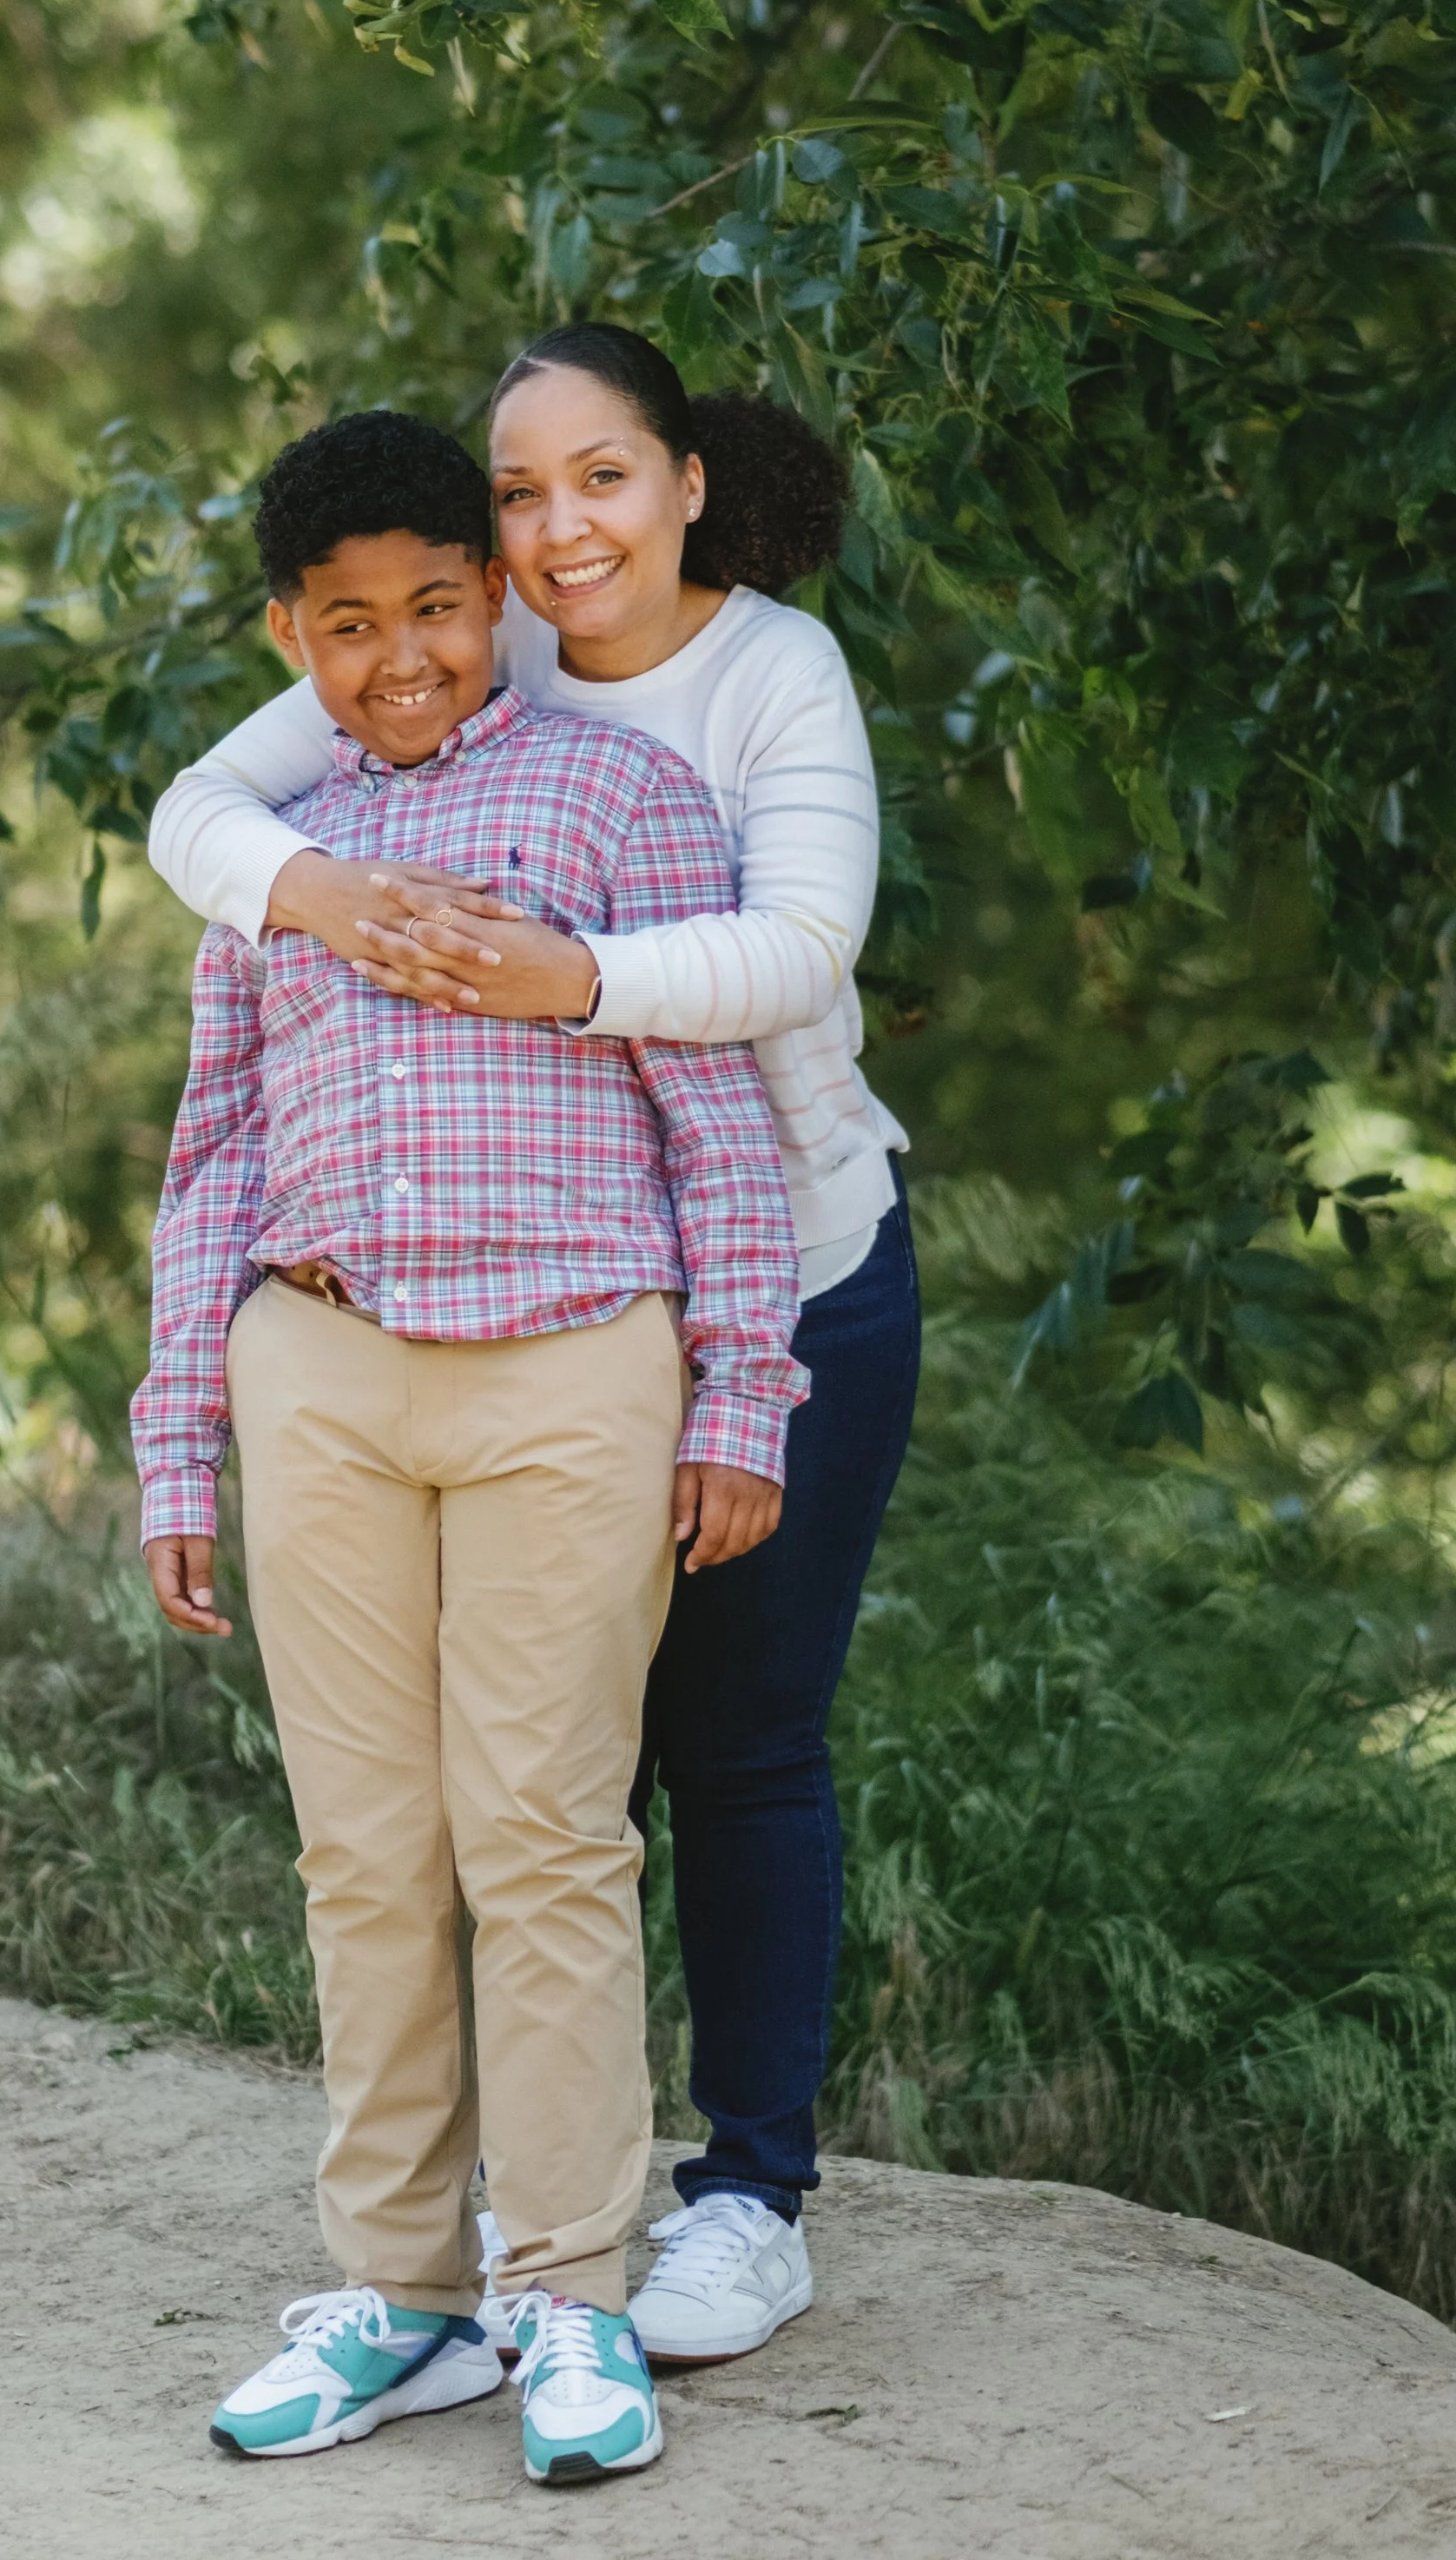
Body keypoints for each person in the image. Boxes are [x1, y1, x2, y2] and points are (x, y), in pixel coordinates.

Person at [148, 326, 921, 2367]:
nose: (555, 527)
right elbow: (197, 823)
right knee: (418, 1825)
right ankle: (428, 2261)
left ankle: (732, 2200)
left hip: (774, 1266)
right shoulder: (408, 665)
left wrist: (553, 974)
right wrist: (306, 888)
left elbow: (791, 965)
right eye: (521, 490)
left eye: (599, 479)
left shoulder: (747, 689)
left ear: (682, 481)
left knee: (711, 1754)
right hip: (400, 1332)